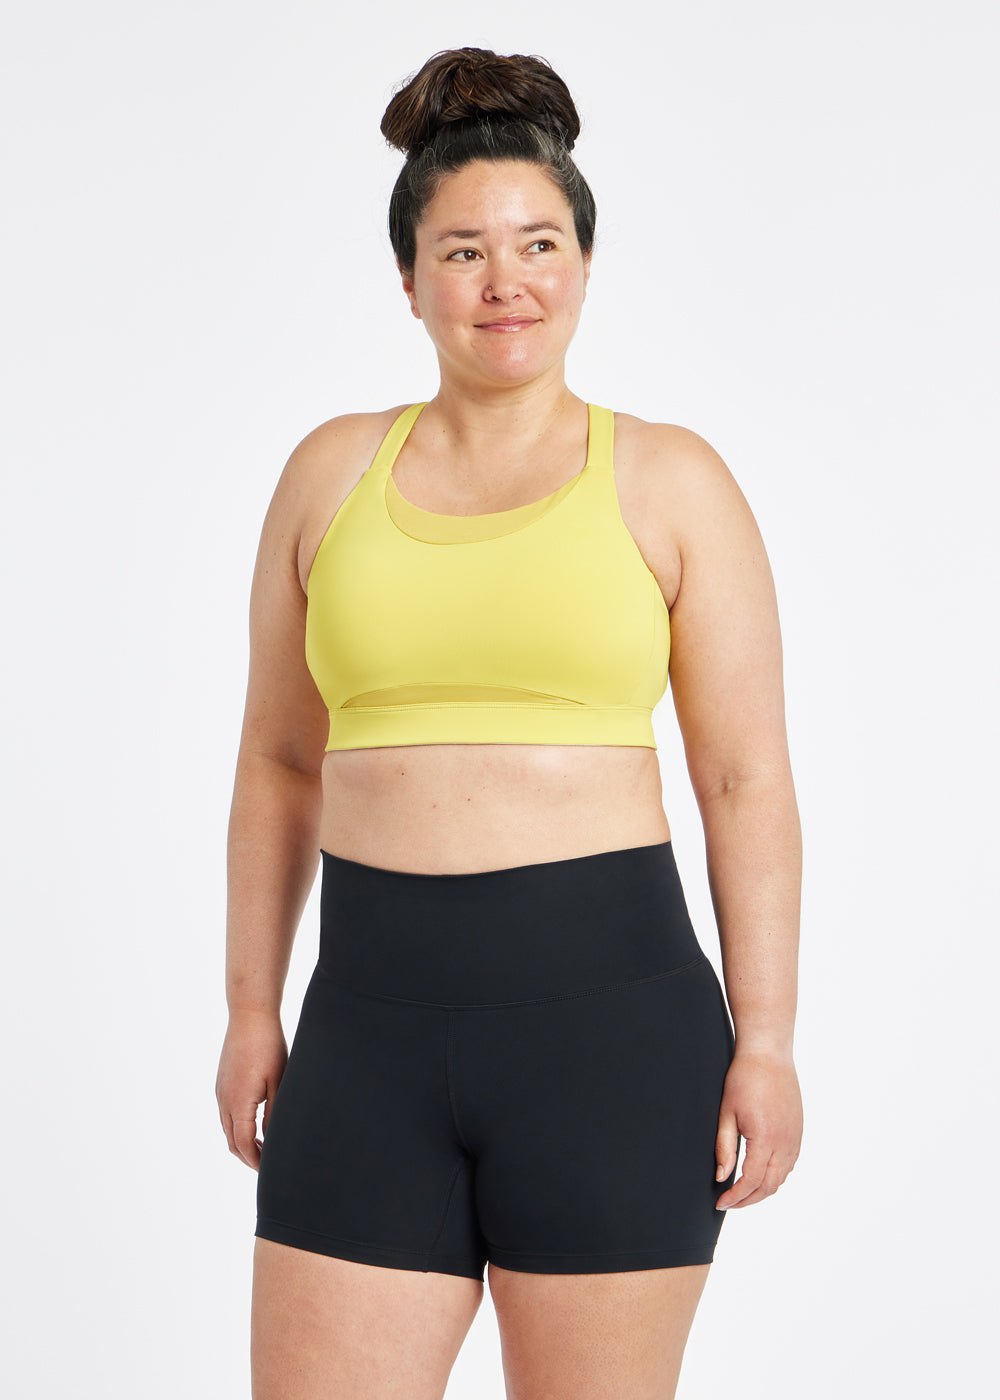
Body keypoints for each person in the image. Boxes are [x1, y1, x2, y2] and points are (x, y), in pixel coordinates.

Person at [215, 45, 803, 1400]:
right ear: (409, 278)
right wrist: (250, 1007)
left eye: (539, 244)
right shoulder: (328, 475)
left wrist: (767, 1038)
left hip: (614, 1045)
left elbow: (744, 778)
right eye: (464, 251)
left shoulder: (671, 481)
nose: (506, 282)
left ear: (584, 263)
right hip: (365, 1041)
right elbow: (278, 761)